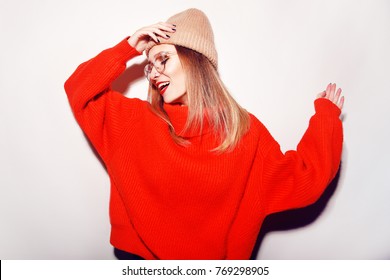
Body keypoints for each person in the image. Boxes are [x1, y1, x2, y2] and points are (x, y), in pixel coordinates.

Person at [64, 8, 344, 260]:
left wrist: (326, 117)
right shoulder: (132, 121)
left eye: (164, 58)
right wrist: (128, 48)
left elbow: (305, 178)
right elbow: (78, 90)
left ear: (194, 59)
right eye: (150, 66)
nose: (155, 74)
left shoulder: (242, 132)